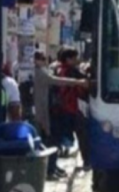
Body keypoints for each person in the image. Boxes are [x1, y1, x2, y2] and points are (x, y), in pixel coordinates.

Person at [34, 51, 87, 180]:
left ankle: (52, 167)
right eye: (41, 58)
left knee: (53, 140)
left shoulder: (47, 70)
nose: (44, 61)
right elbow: (56, 81)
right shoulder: (39, 72)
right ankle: (49, 169)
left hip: (54, 111)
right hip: (56, 111)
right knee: (52, 140)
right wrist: (79, 82)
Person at [57, 48, 90, 168]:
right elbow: (86, 82)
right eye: (75, 57)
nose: (77, 60)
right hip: (75, 107)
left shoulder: (59, 69)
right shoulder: (71, 71)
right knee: (83, 135)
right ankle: (87, 161)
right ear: (68, 59)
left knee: (65, 134)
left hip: (65, 107)